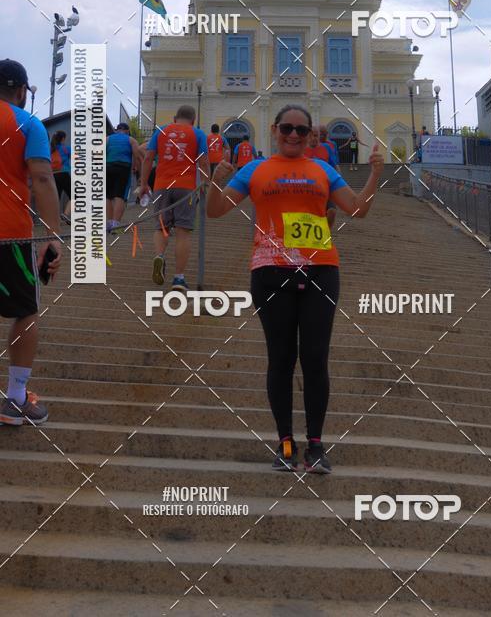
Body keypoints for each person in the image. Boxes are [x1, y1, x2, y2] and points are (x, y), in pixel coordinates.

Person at [207, 104, 383, 474]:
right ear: (274, 129)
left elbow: (357, 209)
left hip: (321, 270)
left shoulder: (323, 169)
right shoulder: (256, 169)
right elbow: (217, 210)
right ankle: (285, 444)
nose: (293, 135)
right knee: (282, 359)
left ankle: (316, 445)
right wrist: (214, 180)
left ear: (309, 136)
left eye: (301, 131)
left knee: (316, 358)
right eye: (287, 128)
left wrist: (375, 175)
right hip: (271, 272)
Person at [0, 59, 62, 426]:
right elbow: (41, 178)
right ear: (22, 91)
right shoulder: (27, 123)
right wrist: (51, 236)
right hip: (11, 234)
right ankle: (16, 398)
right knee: (25, 311)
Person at [140, 105, 208, 290]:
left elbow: (148, 158)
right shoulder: (198, 134)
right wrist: (206, 183)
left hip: (162, 185)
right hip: (186, 187)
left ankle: (160, 256)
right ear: (193, 120)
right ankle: (178, 278)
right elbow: (203, 161)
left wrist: (144, 183)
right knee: (183, 231)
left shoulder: (161, 131)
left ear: (174, 117)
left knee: (161, 227)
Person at [106, 123, 142, 230]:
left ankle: (108, 222)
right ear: (127, 131)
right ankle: (116, 224)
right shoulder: (131, 140)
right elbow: (137, 156)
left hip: (108, 167)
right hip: (123, 167)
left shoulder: (107, 139)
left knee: (107, 196)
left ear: (117, 130)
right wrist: (138, 171)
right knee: (119, 196)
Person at [50, 130, 72, 223]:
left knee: (56, 197)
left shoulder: (50, 150)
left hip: (53, 175)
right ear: (63, 138)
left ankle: (54, 219)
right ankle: (65, 214)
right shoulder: (66, 149)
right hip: (64, 174)